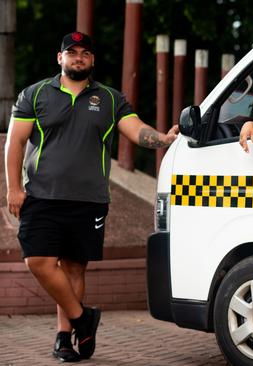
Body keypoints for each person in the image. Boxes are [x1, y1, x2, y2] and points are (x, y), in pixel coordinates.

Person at [4, 31, 179, 363]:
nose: (78, 57)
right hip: (41, 196)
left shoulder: (110, 99)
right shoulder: (35, 94)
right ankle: (83, 317)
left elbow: (136, 129)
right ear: (60, 58)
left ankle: (65, 337)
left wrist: (163, 138)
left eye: (85, 52)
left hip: (89, 200)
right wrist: (13, 188)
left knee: (73, 268)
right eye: (72, 52)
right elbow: (14, 143)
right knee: (38, 261)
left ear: (92, 60)